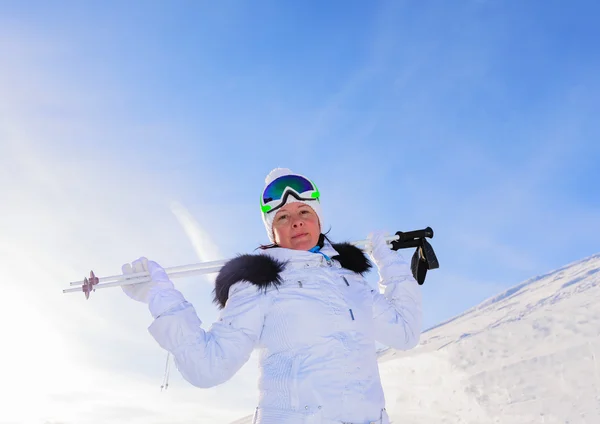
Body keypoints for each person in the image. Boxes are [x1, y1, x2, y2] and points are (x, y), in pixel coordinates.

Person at [121, 167, 422, 424]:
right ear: (272, 232)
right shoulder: (259, 283)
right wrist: (159, 295)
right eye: (282, 218)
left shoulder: (350, 281)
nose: (296, 221)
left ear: (319, 219)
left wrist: (392, 265)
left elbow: (405, 334)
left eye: (305, 211)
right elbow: (208, 366)